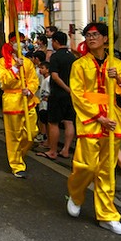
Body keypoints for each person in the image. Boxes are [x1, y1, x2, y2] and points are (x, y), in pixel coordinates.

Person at [66, 22, 121, 235]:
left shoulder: (117, 64)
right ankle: (76, 195)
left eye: (95, 34)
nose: (91, 38)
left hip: (113, 120)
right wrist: (99, 116)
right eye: (88, 35)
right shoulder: (79, 65)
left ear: (106, 38)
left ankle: (107, 215)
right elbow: (77, 95)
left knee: (107, 172)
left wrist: (119, 79)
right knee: (86, 166)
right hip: (91, 121)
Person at [0, 32, 39, 178]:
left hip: (27, 100)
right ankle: (16, 165)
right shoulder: (3, 62)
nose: (20, 44)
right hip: (12, 100)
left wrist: (30, 90)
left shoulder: (28, 62)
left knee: (31, 133)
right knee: (13, 135)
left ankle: (18, 155)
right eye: (17, 41)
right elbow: (3, 81)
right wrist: (15, 67)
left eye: (22, 41)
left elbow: (34, 80)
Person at [38, 31, 77, 160]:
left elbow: (54, 76)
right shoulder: (72, 57)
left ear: (55, 41)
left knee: (53, 122)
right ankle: (66, 150)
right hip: (71, 95)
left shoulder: (55, 57)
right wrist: (71, 90)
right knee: (69, 122)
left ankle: (53, 150)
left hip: (58, 94)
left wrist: (66, 89)